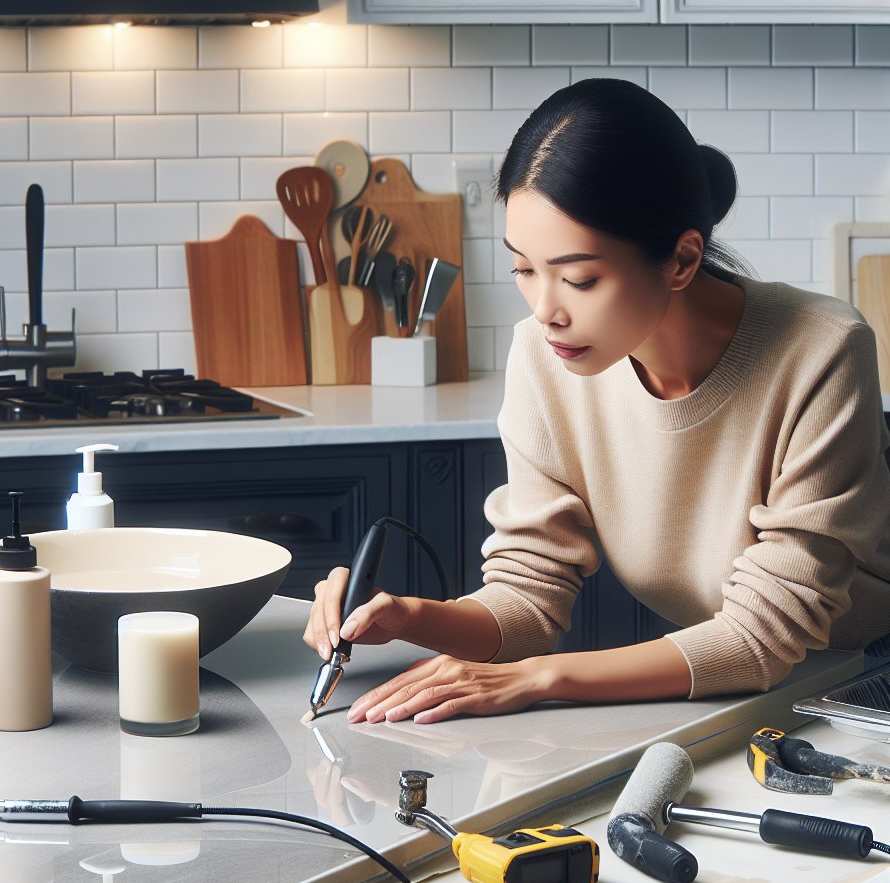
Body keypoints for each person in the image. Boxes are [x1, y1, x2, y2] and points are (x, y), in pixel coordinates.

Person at [304, 78, 890, 726]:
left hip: (867, 679)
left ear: (681, 260)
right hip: (735, 686)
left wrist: (537, 680)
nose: (545, 310)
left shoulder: (822, 350)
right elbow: (529, 597)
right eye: (524, 269)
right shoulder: (544, 357)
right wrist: (410, 617)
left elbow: (763, 636)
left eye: (578, 278)